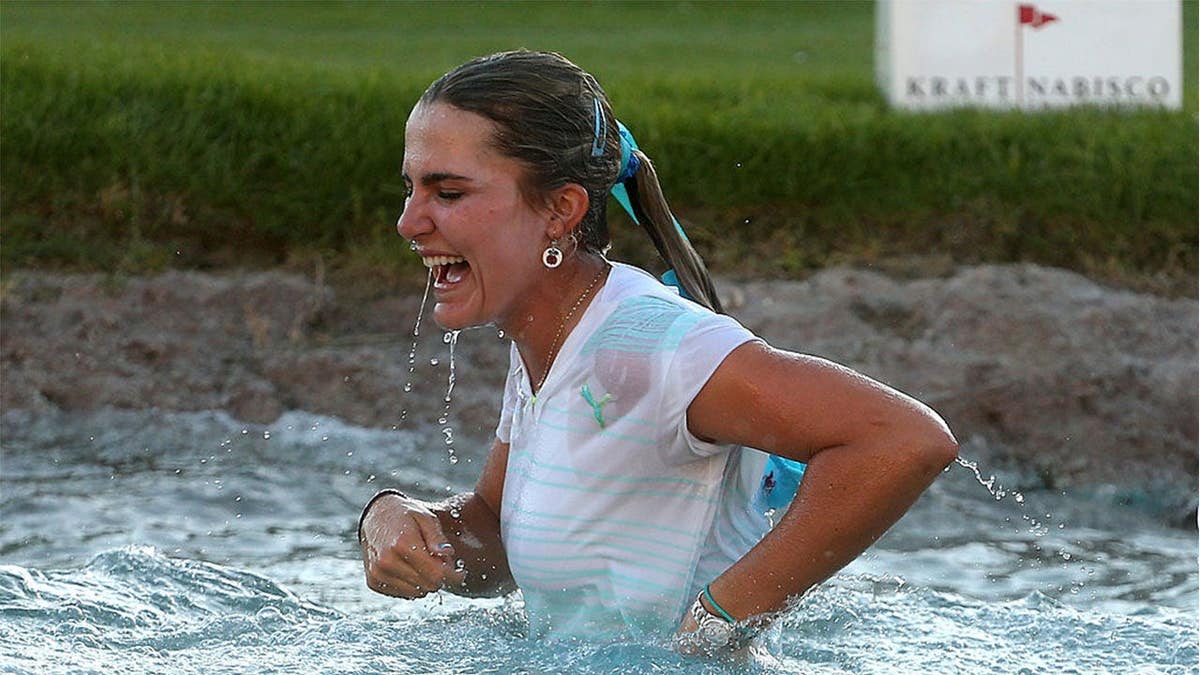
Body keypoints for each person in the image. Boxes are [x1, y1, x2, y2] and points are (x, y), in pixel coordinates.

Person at [358, 50, 958, 654]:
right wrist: (400, 520)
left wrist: (720, 621)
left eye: (449, 193)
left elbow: (902, 439)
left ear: (561, 210)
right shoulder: (556, 337)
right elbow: (500, 539)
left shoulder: (645, 347)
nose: (410, 223)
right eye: (411, 189)